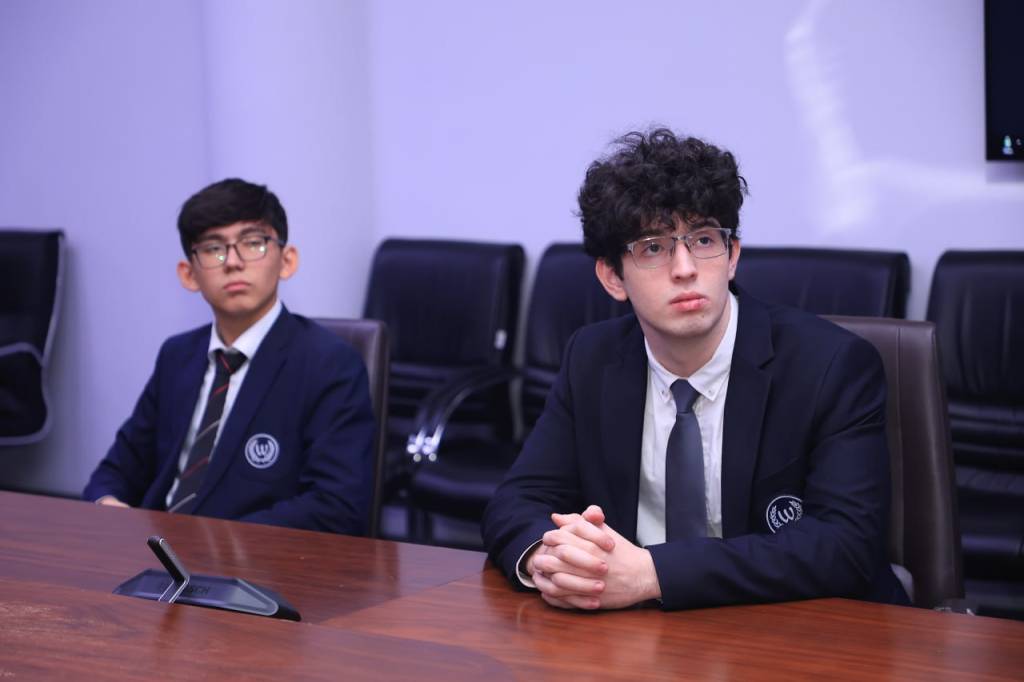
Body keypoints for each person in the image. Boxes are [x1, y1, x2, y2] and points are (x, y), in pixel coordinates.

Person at [481, 129, 910, 610]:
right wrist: (550, 558)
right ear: (612, 277)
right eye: (653, 247)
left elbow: (846, 545)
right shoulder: (592, 358)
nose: (685, 268)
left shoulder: (831, 365)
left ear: (732, 256)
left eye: (704, 239)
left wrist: (652, 574)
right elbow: (517, 500)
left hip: (796, 626)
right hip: (632, 632)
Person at [84, 178, 374, 534]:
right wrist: (107, 505)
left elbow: (336, 505)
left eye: (253, 244)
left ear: (287, 261)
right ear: (189, 274)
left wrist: (214, 543)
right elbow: (116, 471)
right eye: (213, 249)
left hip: (256, 559)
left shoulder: (330, 364)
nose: (233, 262)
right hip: (158, 551)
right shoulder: (177, 356)